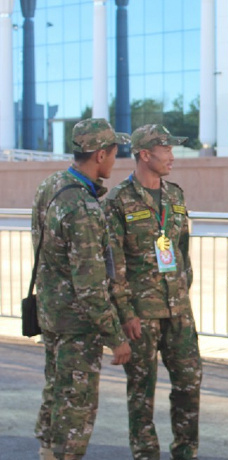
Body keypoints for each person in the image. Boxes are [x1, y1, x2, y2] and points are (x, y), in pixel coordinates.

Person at [33, 118, 132, 460]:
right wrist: (115, 336)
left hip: (51, 314)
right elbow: (90, 286)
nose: (115, 161)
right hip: (77, 324)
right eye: (114, 153)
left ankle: (47, 453)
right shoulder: (83, 207)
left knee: (56, 391)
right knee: (76, 406)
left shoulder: (50, 186)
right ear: (100, 154)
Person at [104, 124, 202, 460]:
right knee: (142, 393)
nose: (172, 156)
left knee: (189, 384)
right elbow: (113, 263)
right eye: (167, 150)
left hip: (179, 311)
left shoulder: (175, 195)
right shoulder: (119, 200)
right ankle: (146, 453)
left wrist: (184, 288)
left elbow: (182, 249)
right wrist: (125, 312)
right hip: (141, 315)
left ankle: (185, 451)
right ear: (146, 154)